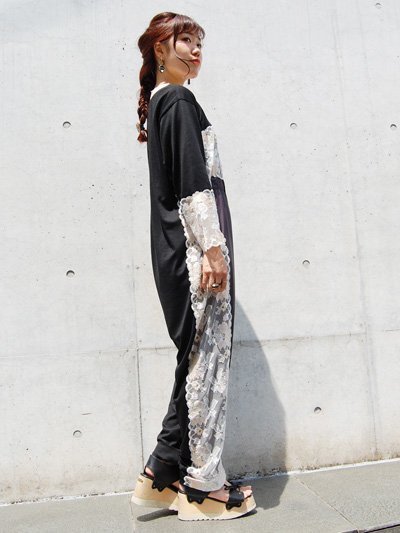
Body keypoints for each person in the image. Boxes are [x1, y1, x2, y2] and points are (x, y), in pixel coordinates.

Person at [131, 12, 256, 521]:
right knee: (208, 366)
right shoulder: (179, 101)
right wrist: (213, 250)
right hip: (193, 255)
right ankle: (203, 488)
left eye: (199, 41)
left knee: (194, 362)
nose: (196, 49)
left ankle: (163, 473)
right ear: (160, 50)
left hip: (179, 254)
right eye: (184, 40)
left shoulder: (166, 101)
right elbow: (192, 184)